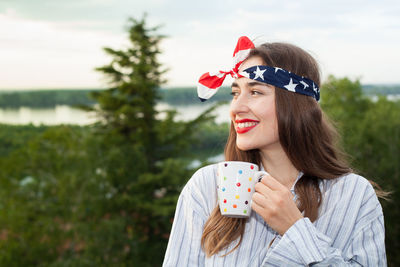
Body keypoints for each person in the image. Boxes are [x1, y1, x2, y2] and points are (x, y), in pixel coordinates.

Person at [162, 36, 387, 266]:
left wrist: (296, 230)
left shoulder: (354, 196)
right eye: (235, 93)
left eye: (256, 92)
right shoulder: (205, 188)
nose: (236, 107)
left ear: (295, 103)